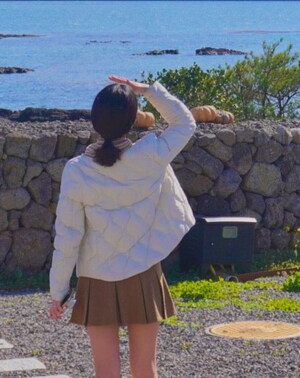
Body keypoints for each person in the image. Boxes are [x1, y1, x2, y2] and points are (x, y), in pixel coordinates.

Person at [47, 75, 196, 378]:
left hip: (96, 277)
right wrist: (150, 91)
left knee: (106, 370)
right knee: (145, 367)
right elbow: (185, 123)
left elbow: (68, 236)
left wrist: (58, 291)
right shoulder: (151, 155)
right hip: (143, 271)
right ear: (131, 120)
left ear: (95, 120)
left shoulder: (77, 170)